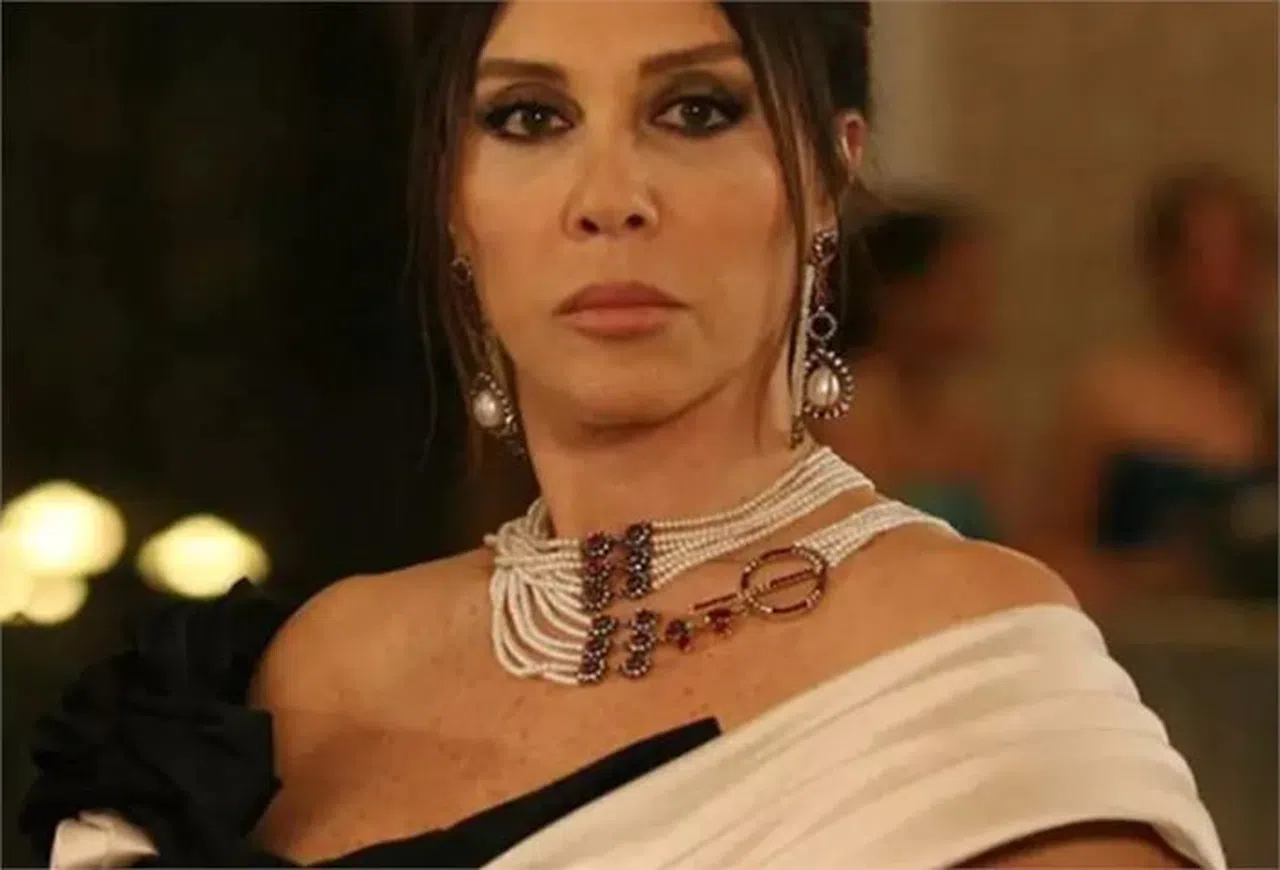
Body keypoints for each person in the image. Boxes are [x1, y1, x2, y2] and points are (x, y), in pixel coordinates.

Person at [20, 4, 1223, 868]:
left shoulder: (960, 663)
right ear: (453, 197)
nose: (608, 198)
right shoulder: (301, 670)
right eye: (528, 116)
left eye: (694, 110)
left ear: (825, 173)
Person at [1035, 165, 1277, 611]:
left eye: (1247, 257)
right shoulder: (1111, 393)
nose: (1231, 281)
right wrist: (1144, 577)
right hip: (1139, 630)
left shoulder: (1262, 398)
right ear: (1164, 269)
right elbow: (1050, 547)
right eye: (1208, 258)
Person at [810, 203, 1008, 542]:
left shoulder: (966, 421)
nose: (980, 305)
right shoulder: (849, 412)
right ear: (896, 294)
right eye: (962, 286)